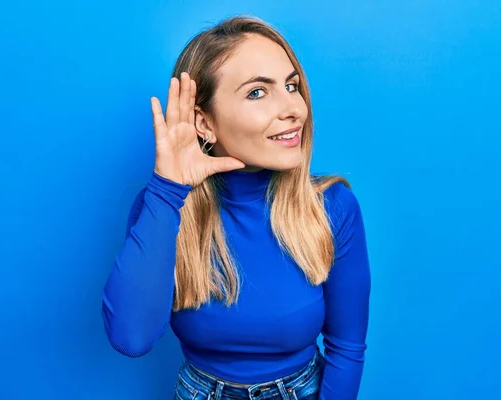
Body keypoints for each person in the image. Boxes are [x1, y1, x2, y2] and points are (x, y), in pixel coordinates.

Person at [101, 15, 371, 400]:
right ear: (204, 123)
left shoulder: (332, 208)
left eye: (291, 85)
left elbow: (347, 348)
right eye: (258, 92)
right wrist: (166, 192)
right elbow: (131, 337)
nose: (294, 108)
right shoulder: (161, 210)